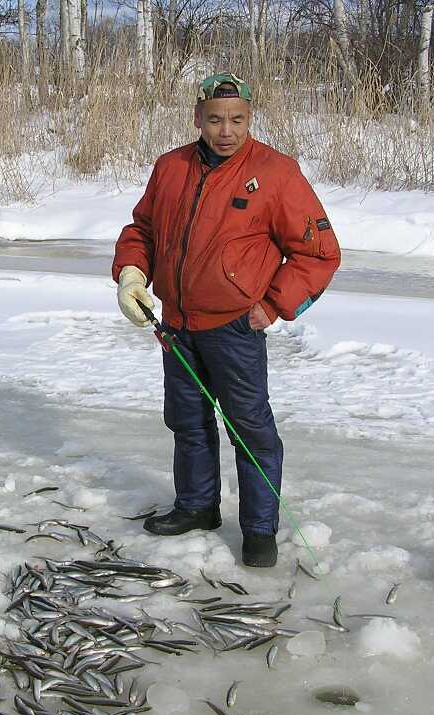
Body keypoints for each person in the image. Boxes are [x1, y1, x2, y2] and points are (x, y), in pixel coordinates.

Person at [112, 72, 341, 568]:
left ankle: (260, 529)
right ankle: (197, 507)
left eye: (237, 119)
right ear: (198, 117)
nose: (226, 130)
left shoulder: (276, 173)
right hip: (176, 324)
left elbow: (320, 253)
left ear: (250, 118)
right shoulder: (171, 167)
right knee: (188, 422)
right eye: (215, 119)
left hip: (235, 328)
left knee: (250, 428)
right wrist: (132, 273)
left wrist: (275, 304)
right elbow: (143, 229)